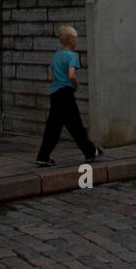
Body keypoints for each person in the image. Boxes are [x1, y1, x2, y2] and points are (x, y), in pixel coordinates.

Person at [36, 24, 103, 167]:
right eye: (76, 39)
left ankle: (43, 156)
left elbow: (52, 76)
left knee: (53, 127)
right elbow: (71, 75)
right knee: (76, 125)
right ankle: (90, 152)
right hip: (66, 93)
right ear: (72, 40)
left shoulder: (56, 56)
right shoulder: (72, 56)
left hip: (55, 94)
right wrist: (76, 85)